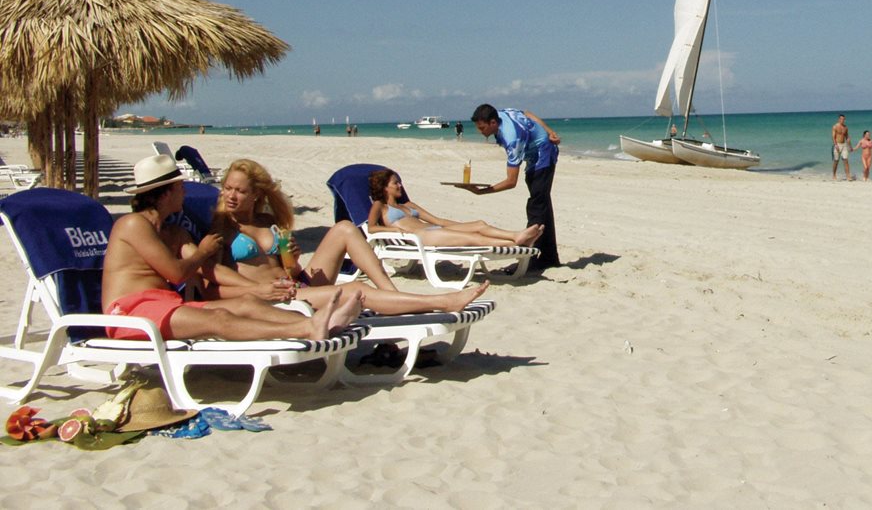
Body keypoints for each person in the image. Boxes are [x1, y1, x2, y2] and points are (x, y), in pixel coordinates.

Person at [101, 155, 362, 342]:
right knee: (219, 320)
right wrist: (203, 250)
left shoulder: (173, 232)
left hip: (166, 306)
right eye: (180, 188)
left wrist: (255, 289)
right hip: (130, 313)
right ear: (166, 193)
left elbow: (210, 269)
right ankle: (305, 329)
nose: (184, 194)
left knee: (247, 303)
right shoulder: (133, 224)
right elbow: (176, 273)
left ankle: (316, 324)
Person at [207, 159, 487, 314]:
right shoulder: (221, 227)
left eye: (240, 191)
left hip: (296, 283)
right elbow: (211, 284)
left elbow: (289, 268)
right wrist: (257, 291)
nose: (231, 195)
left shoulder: (268, 221)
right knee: (354, 291)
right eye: (228, 188)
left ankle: (391, 295)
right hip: (275, 298)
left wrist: (290, 259)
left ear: (256, 195)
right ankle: (440, 302)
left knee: (344, 227)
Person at [470, 104, 561, 270]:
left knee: (536, 205)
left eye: (482, 128)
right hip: (533, 157)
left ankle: (532, 256)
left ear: (493, 123)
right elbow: (528, 113)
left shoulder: (512, 138)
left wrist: (482, 192)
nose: (480, 131)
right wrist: (550, 131)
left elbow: (511, 181)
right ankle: (549, 257)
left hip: (543, 153)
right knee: (542, 204)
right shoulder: (502, 114)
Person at [366, 167, 542, 249]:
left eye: (399, 182)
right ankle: (516, 244)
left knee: (479, 225)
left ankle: (516, 237)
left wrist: (462, 225)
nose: (400, 185)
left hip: (434, 229)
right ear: (384, 187)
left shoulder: (408, 205)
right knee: (473, 238)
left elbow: (438, 221)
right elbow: (372, 228)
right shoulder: (380, 206)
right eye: (395, 183)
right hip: (421, 237)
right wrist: (393, 232)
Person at [831, 114, 852, 181]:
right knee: (836, 161)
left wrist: (850, 146)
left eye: (843, 119)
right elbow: (833, 137)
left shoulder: (845, 127)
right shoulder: (835, 126)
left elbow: (847, 137)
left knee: (846, 160)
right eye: (841, 119)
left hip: (844, 145)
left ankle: (848, 176)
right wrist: (836, 145)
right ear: (839, 119)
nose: (842, 120)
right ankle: (834, 175)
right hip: (837, 144)